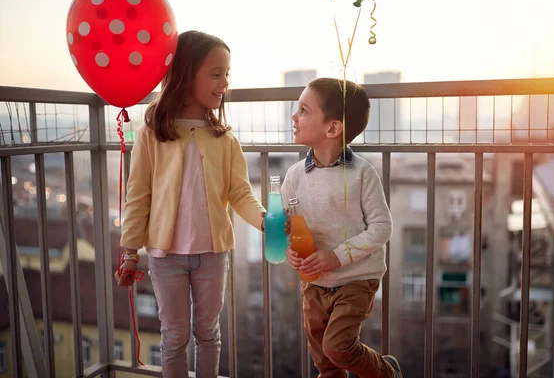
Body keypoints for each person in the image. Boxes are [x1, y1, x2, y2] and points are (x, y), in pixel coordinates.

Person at [115, 30, 265, 377]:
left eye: (227, 73)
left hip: (213, 255)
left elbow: (240, 192)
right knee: (174, 336)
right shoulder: (153, 131)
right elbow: (138, 195)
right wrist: (130, 251)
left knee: (208, 334)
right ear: (185, 73)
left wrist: (264, 220)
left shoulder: (224, 138)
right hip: (165, 257)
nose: (224, 82)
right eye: (216, 73)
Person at [283, 78, 402, 378]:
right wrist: (291, 252)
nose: (294, 117)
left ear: (332, 128)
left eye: (304, 110)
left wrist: (337, 256)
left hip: (356, 279)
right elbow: (289, 226)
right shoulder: (294, 176)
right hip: (313, 281)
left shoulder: (363, 174)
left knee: (338, 346)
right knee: (325, 362)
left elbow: (382, 227)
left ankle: (387, 373)